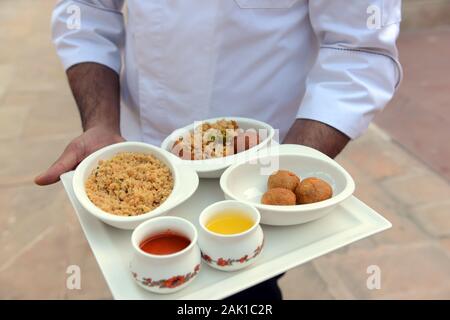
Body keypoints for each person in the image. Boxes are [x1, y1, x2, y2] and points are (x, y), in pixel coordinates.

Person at [35, 0, 402, 299]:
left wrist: (286, 171)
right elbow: (88, 10)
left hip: (257, 176)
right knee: (154, 284)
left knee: (243, 294)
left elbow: (358, 50)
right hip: (146, 164)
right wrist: (100, 124)